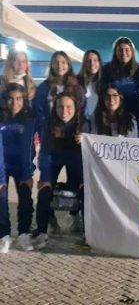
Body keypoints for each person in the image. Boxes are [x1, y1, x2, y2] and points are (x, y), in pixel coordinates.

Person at [33, 51, 83, 233]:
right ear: (51, 65)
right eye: (56, 62)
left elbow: (82, 111)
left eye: (63, 62)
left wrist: (81, 131)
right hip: (52, 140)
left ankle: (76, 216)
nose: (60, 65)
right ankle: (44, 223)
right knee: (47, 183)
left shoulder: (76, 86)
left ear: (68, 64)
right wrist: (45, 128)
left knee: (76, 182)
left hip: (72, 143)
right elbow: (37, 112)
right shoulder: (44, 88)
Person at [36, 92, 89, 249]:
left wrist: (85, 140)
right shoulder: (48, 123)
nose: (64, 111)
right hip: (54, 158)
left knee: (83, 189)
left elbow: (91, 151)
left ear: (75, 108)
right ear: (55, 108)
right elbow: (44, 153)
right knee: (45, 189)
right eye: (60, 107)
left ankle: (87, 230)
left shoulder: (83, 123)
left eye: (68, 107)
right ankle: (41, 230)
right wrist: (45, 177)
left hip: (75, 159)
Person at [0, 83, 36, 252]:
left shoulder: (30, 119)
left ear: (24, 100)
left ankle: (24, 234)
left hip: (22, 167)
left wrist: (28, 172)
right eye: (11, 99)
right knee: (1, 200)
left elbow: (32, 146)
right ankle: (4, 235)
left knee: (25, 201)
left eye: (19, 98)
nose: (15, 103)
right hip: (2, 166)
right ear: (4, 100)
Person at [102, 37, 139, 119]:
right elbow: (101, 92)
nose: (123, 53)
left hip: (135, 115)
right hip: (113, 115)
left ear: (132, 52)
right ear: (115, 52)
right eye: (120, 50)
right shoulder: (107, 69)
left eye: (127, 50)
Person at [77, 49, 103, 119]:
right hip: (82, 125)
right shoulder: (76, 82)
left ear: (99, 62)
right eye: (88, 61)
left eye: (95, 60)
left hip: (101, 124)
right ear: (84, 63)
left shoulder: (105, 82)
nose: (92, 64)